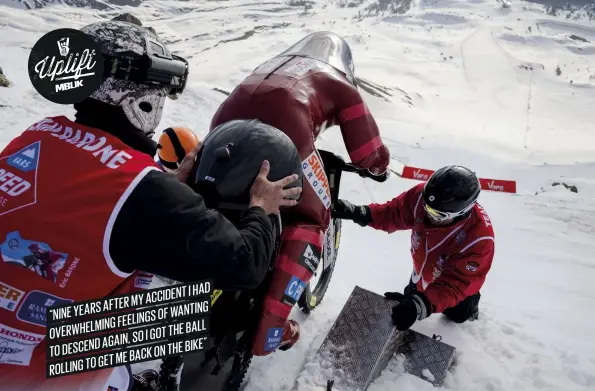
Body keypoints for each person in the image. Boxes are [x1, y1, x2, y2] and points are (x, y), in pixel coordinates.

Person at [0, 20, 302, 391]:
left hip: (19, 323)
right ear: (140, 100)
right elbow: (246, 264)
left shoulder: (36, 136)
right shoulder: (138, 189)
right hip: (37, 369)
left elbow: (84, 210)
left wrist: (168, 192)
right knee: (180, 313)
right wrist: (262, 207)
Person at [209, 31, 391, 356]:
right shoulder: (341, 84)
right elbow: (369, 154)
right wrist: (379, 168)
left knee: (210, 193)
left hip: (224, 128)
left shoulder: (276, 63)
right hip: (287, 132)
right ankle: (270, 328)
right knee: (312, 216)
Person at [333, 166, 495, 331]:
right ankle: (420, 291)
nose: (429, 216)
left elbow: (456, 283)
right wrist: (359, 212)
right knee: (408, 304)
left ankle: (470, 305)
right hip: (423, 265)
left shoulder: (479, 238)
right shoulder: (422, 197)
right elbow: (393, 212)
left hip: (453, 280)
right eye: (427, 208)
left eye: (438, 215)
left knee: (456, 313)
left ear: (462, 213)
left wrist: (420, 305)